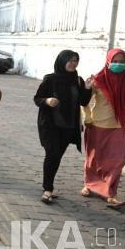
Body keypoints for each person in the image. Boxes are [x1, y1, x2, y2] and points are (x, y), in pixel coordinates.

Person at [81, 48, 125, 209]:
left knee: (117, 161)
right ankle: (90, 184)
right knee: (94, 159)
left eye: (121, 61)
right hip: (97, 124)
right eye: (115, 61)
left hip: (119, 125)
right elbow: (84, 102)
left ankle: (111, 193)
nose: (118, 64)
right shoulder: (97, 79)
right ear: (108, 60)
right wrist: (87, 118)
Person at [33, 50, 93, 204]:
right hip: (50, 125)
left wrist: (87, 88)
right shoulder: (50, 79)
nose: (73, 63)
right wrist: (47, 101)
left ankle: (49, 185)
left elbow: (84, 102)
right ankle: (48, 189)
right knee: (52, 154)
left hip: (68, 126)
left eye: (75, 60)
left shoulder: (77, 80)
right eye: (70, 60)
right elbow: (37, 98)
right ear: (62, 61)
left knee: (57, 156)